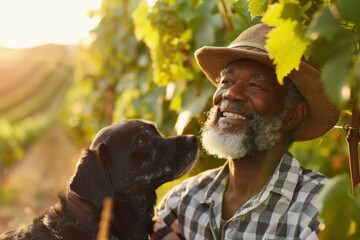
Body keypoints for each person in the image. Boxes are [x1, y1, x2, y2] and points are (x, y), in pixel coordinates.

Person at [152, 23, 339, 239]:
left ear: (292, 115)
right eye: (226, 81)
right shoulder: (183, 203)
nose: (231, 93)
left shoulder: (321, 211)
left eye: (255, 86)